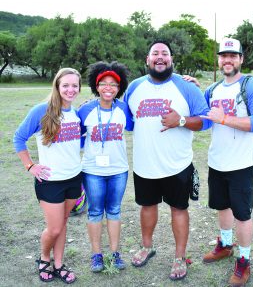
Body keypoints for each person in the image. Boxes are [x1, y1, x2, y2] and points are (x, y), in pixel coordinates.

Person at [123, 40, 210, 280]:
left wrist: (180, 120)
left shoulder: (187, 87)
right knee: (147, 206)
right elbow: (128, 121)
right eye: (155, 53)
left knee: (179, 209)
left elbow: (206, 120)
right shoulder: (134, 87)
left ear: (172, 60)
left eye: (165, 54)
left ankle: (180, 257)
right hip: (145, 164)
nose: (160, 57)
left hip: (177, 165)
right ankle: (146, 247)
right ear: (147, 60)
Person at [201, 38, 253, 287]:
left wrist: (225, 119)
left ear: (241, 59)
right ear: (219, 60)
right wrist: (192, 88)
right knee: (222, 206)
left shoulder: (252, 87)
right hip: (216, 161)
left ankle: (244, 261)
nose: (227, 60)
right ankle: (226, 245)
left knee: (242, 214)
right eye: (223, 55)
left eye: (233, 55)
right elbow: (206, 120)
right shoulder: (214, 89)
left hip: (241, 164)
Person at [13, 68, 82, 284]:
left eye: (74, 85)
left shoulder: (76, 113)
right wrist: (30, 165)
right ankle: (44, 259)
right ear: (57, 86)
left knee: (62, 223)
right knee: (53, 227)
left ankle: (59, 264)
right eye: (66, 85)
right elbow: (19, 138)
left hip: (73, 179)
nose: (70, 89)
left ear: (79, 88)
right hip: (50, 181)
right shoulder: (42, 111)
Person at [78, 61, 133, 273]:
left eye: (113, 84)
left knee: (114, 210)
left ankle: (115, 253)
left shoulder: (124, 109)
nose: (108, 87)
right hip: (93, 171)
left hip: (119, 169)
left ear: (119, 88)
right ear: (96, 86)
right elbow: (77, 136)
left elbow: (136, 125)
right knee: (94, 212)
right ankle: (96, 255)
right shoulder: (85, 110)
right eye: (104, 83)